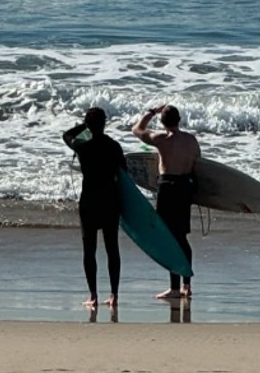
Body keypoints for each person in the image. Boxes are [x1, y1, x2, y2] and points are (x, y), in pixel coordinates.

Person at [132, 104, 200, 300]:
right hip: (185, 188)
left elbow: (136, 129)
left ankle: (175, 288)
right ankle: (187, 285)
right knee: (182, 238)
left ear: (162, 122)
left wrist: (151, 112)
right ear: (179, 120)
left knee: (170, 239)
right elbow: (199, 164)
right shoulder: (191, 140)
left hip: (168, 188)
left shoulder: (160, 139)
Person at [62, 107, 127, 309]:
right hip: (110, 200)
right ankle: (114, 295)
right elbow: (124, 174)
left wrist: (85, 125)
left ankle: (93, 296)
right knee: (112, 248)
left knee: (89, 250)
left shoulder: (83, 146)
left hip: (90, 201)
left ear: (89, 125)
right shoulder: (114, 146)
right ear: (105, 123)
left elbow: (67, 135)